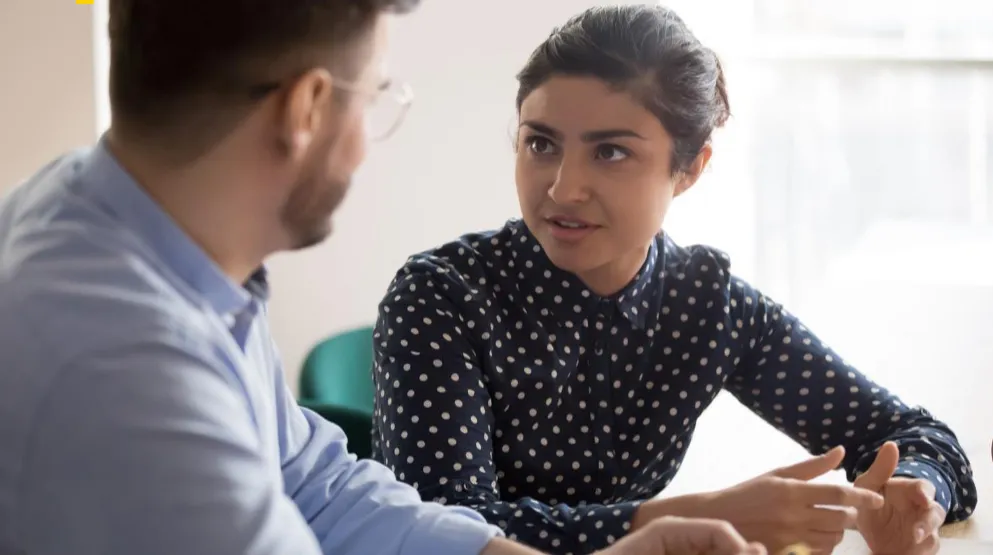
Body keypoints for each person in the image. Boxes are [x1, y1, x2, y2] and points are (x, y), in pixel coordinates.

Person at [0, 2, 768, 555]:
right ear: (305, 107)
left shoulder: (119, 228)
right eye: (374, 96)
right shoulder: (125, 372)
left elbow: (319, 486)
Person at [370, 4, 978, 555]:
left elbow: (917, 435)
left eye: (609, 152)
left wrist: (915, 495)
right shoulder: (441, 295)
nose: (562, 188)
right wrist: (692, 517)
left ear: (689, 168)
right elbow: (439, 530)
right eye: (541, 143)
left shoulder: (707, 306)